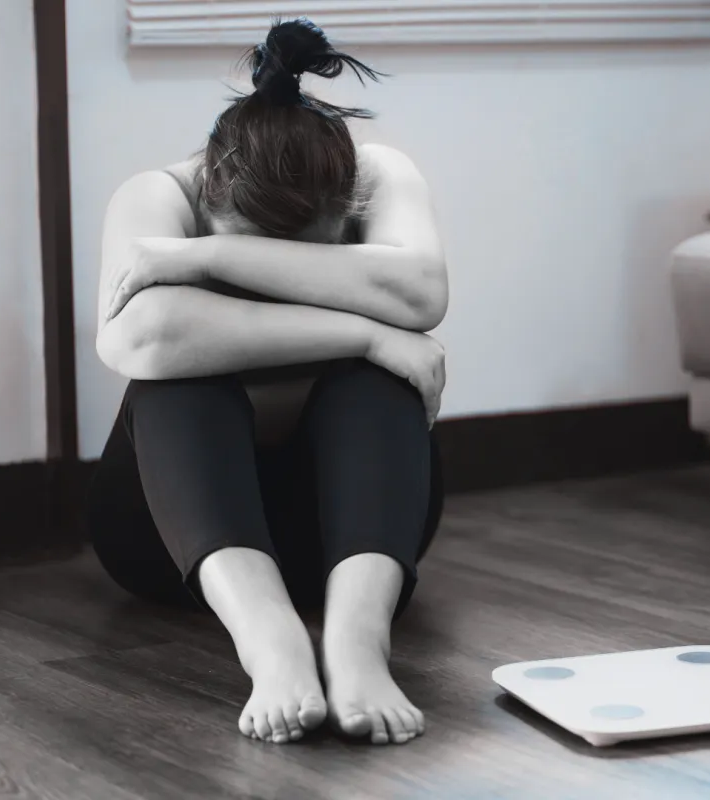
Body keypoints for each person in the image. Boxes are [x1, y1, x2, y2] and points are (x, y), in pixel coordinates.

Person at [86, 18, 447, 747]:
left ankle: (357, 643)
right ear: (211, 193)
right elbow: (143, 337)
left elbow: (420, 293)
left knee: (375, 382)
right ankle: (270, 644)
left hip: (343, 538)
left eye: (303, 261)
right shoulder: (156, 195)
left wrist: (205, 261)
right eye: (242, 252)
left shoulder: (376, 176)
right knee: (175, 377)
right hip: (173, 542)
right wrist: (365, 332)